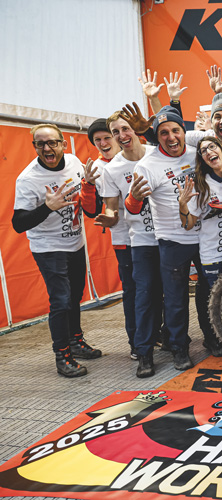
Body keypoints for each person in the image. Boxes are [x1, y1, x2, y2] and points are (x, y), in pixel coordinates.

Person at [12, 124, 103, 377]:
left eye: (52, 142)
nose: (47, 148)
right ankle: (62, 356)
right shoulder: (28, 179)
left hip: (75, 243)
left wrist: (90, 185)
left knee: (75, 296)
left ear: (63, 144)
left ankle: (75, 341)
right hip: (48, 247)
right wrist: (47, 208)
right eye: (40, 144)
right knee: (61, 300)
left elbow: (90, 205)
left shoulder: (74, 163)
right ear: (35, 147)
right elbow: (18, 224)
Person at [126, 106, 207, 371]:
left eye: (175, 130)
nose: (171, 137)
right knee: (175, 299)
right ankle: (177, 349)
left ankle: (214, 340)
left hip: (205, 237)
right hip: (173, 241)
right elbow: (132, 208)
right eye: (163, 133)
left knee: (209, 293)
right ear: (156, 137)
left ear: (184, 131)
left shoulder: (197, 153)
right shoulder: (147, 165)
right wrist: (134, 198)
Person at [98, 111, 164, 377]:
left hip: (169, 237)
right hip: (137, 240)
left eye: (125, 129)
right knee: (141, 294)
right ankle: (141, 348)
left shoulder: (157, 153)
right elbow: (111, 208)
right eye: (115, 132)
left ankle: (169, 338)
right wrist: (109, 217)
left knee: (169, 292)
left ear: (135, 129)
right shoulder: (111, 169)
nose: (121, 135)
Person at [180, 136, 222, 367]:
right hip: (212, 256)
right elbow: (188, 224)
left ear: (221, 150)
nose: (208, 152)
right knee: (221, 305)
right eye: (203, 151)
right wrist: (182, 205)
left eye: (212, 147)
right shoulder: (202, 185)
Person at [85, 119, 138, 359]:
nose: (103, 143)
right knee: (132, 291)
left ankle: (159, 333)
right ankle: (136, 341)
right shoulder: (96, 169)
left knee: (156, 288)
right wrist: (88, 185)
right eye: (98, 140)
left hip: (151, 235)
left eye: (107, 137)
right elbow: (92, 209)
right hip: (123, 238)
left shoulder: (138, 156)